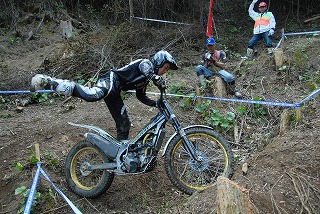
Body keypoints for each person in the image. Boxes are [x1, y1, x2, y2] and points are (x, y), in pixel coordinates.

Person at [30, 50, 178, 140]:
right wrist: (157, 80)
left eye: (167, 70)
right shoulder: (146, 64)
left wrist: (155, 103)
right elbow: (148, 72)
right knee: (91, 95)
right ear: (159, 61)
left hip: (115, 92)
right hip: (111, 80)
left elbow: (141, 96)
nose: (165, 71)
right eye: (165, 67)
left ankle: (121, 154)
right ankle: (46, 81)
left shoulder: (146, 80)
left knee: (124, 125)